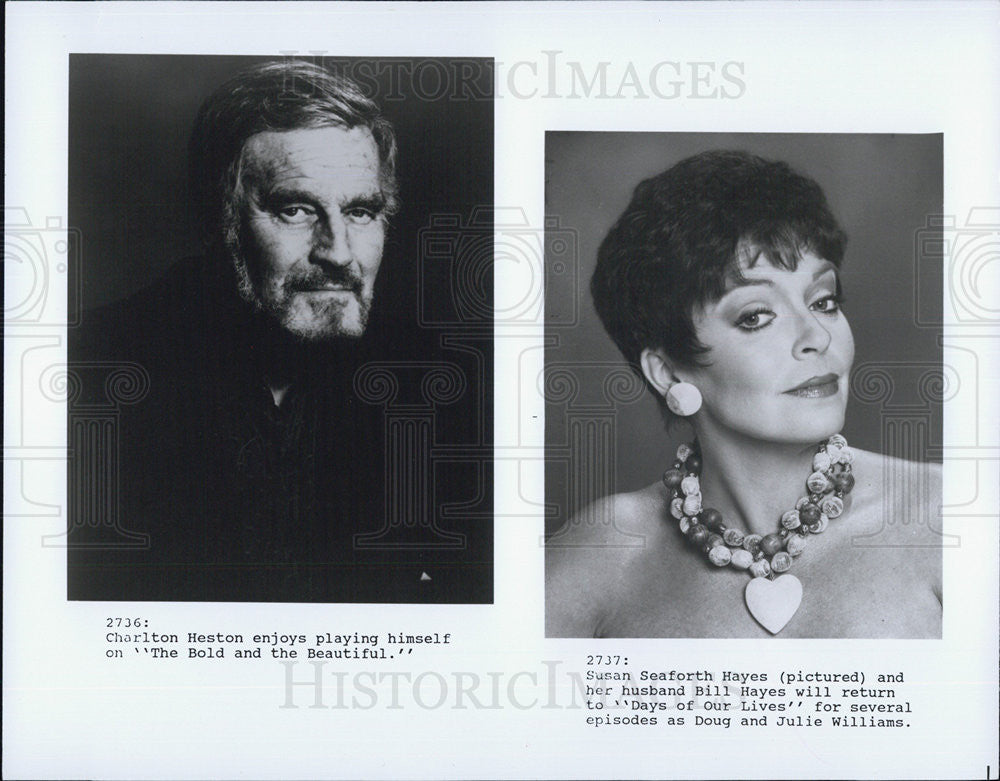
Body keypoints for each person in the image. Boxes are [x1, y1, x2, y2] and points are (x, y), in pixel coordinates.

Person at [67, 60, 491, 604]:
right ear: (218, 222)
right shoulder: (91, 373)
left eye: (361, 212)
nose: (338, 252)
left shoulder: (448, 388)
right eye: (295, 210)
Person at [545, 150, 942, 638]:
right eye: (756, 315)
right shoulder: (605, 549)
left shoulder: (948, 514)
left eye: (824, 300)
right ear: (667, 372)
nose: (815, 335)